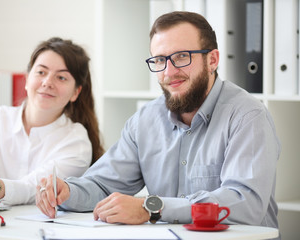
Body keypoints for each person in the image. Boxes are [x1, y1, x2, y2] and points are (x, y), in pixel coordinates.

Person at [36, 11, 280, 230]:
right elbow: (103, 185)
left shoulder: (248, 116)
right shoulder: (145, 120)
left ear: (212, 60)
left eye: (182, 56)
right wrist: (67, 192)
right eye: (160, 60)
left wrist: (152, 208)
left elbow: (245, 204)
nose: (168, 72)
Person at [0, 37, 104, 206]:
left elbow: (34, 189)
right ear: (27, 78)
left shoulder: (76, 142)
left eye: (61, 77)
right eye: (41, 72)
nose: (47, 83)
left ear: (76, 92)